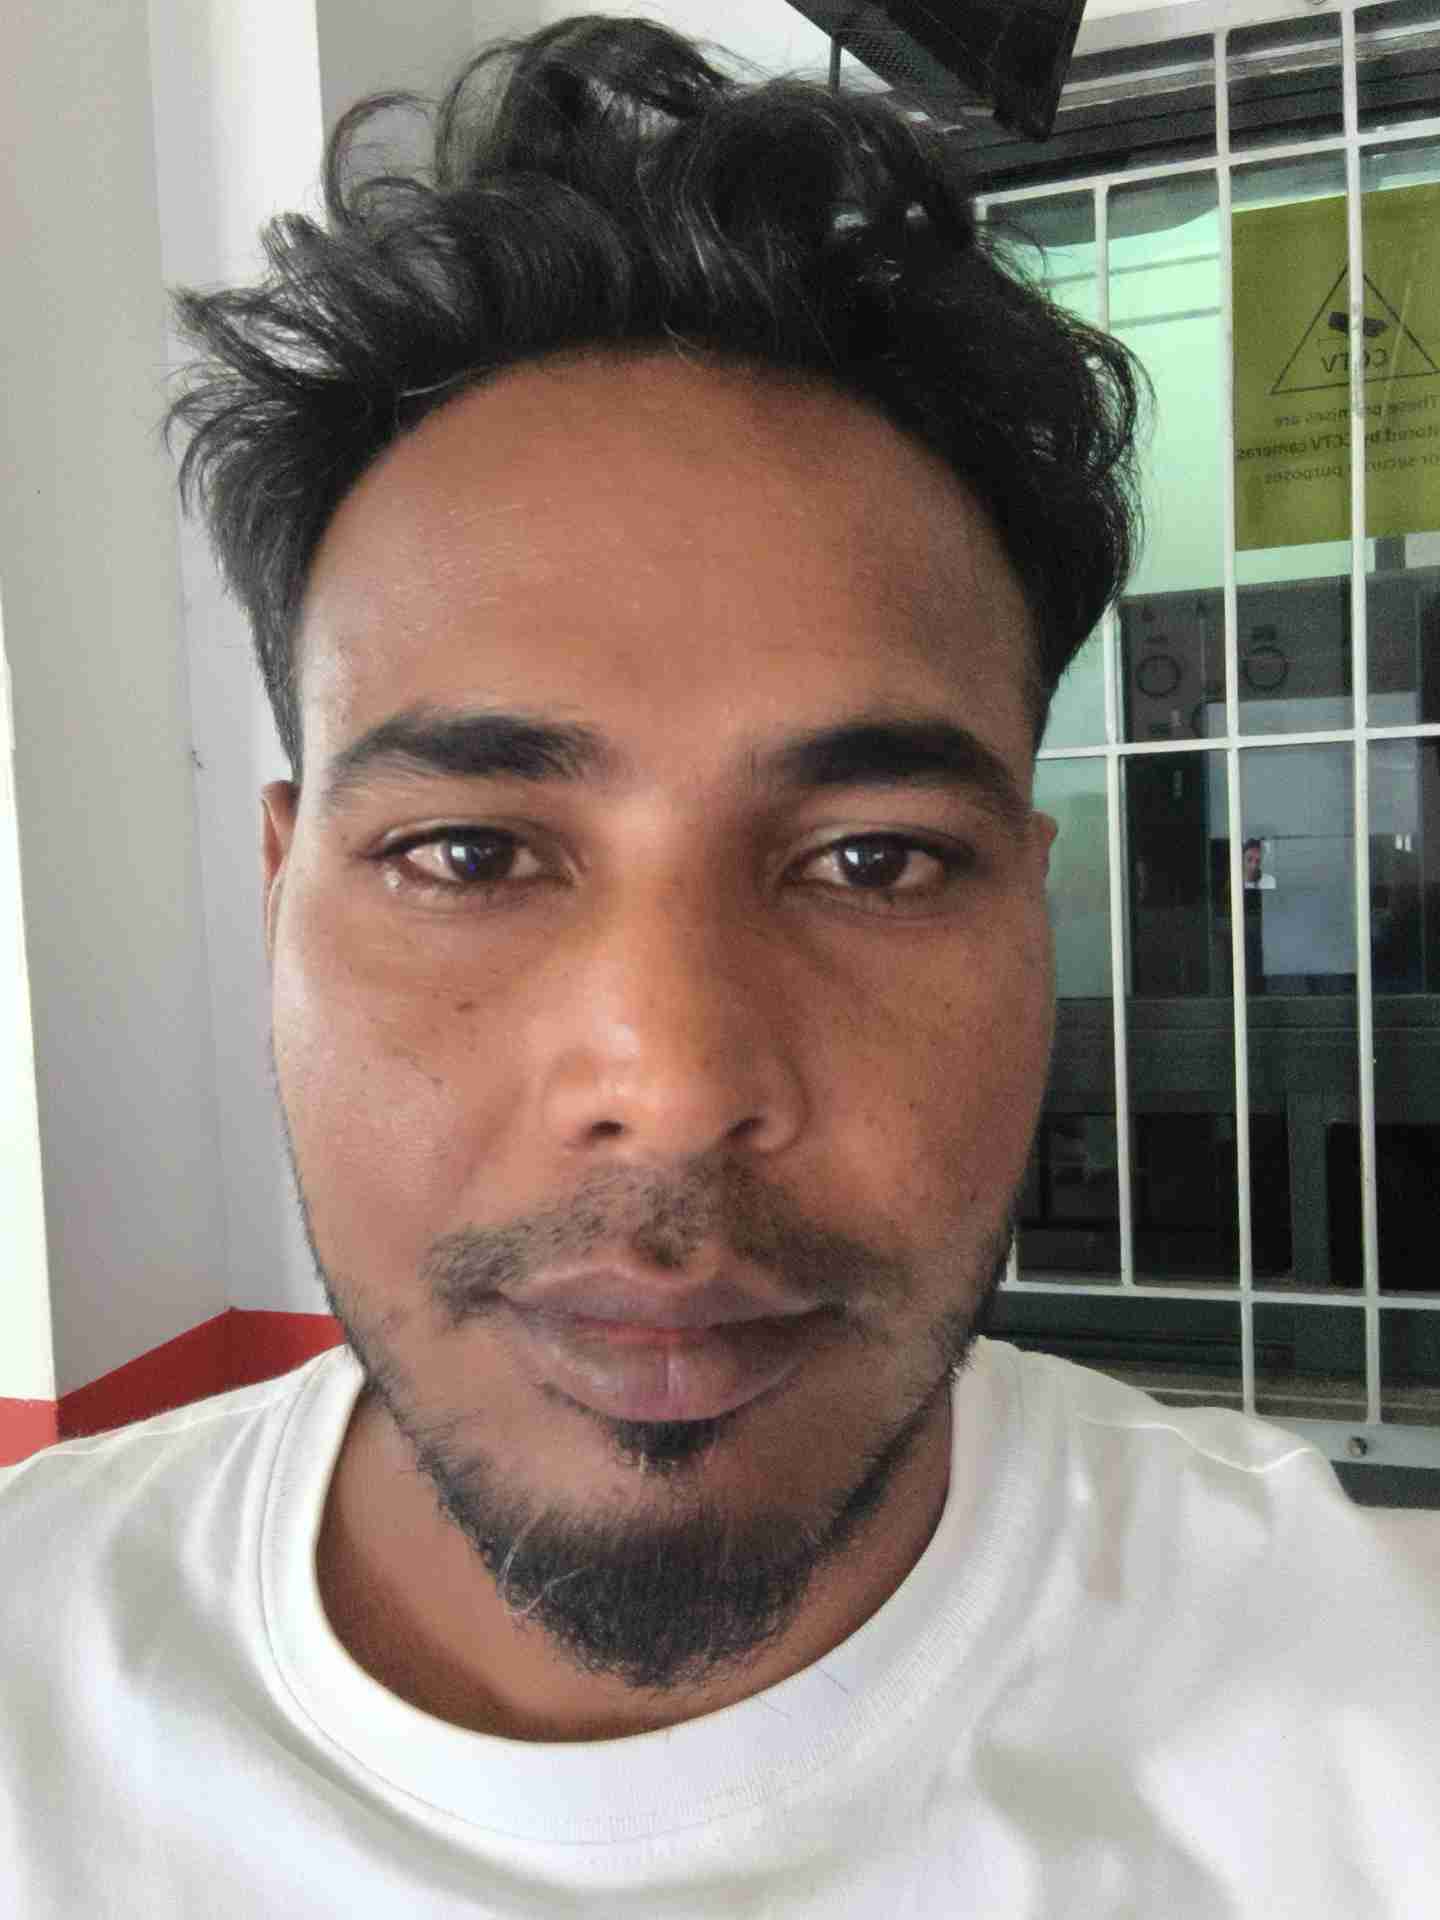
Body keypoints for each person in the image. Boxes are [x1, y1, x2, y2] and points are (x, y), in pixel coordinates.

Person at [2, 16, 1437, 1915]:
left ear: (1031, 908)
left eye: (874, 860)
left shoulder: (1372, 1723)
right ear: (283, 894)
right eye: (469, 854)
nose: (673, 1086)